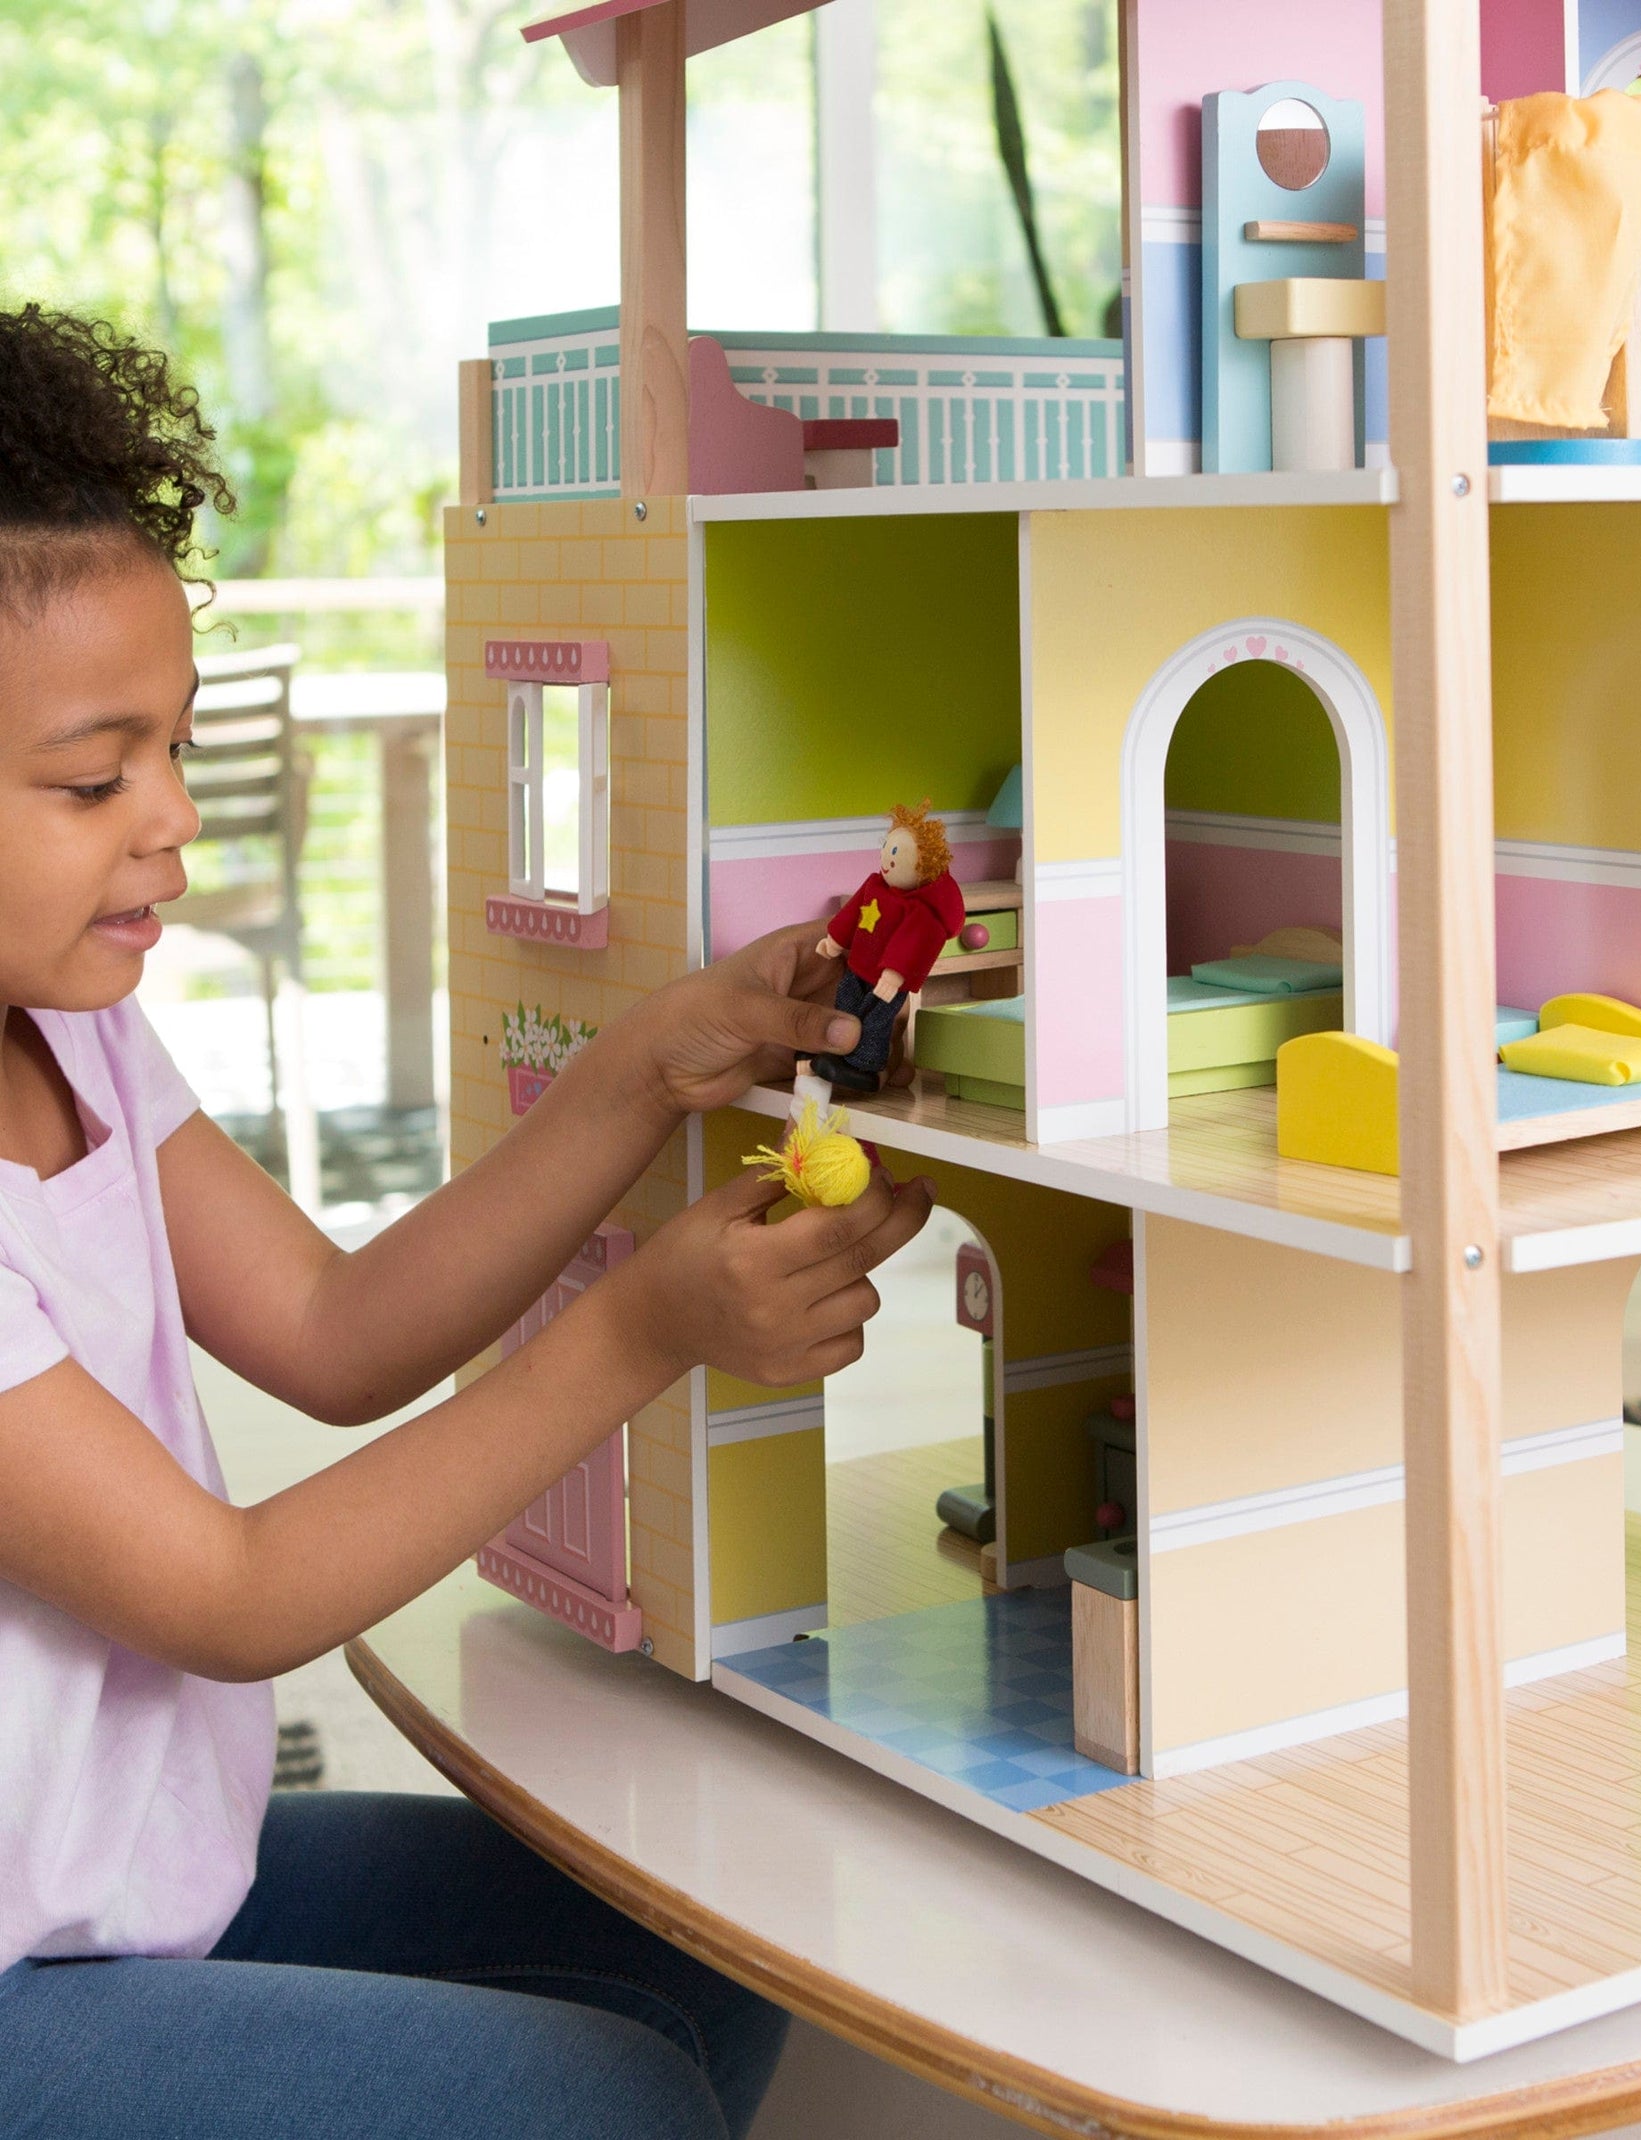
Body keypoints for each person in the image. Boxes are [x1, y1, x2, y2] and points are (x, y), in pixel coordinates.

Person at [0, 303, 934, 2139]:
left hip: (127, 1883)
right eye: (94, 779)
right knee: (594, 2100)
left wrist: (640, 1067)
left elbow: (341, 1337)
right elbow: (231, 1594)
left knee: (703, 1940)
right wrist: (644, 1327)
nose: (176, 821)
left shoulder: (79, 1042)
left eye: (175, 749)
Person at [807, 802, 965, 1092]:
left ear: (923, 866)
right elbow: (854, 913)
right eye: (886, 848)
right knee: (846, 1000)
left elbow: (913, 944)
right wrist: (835, 940)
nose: (885, 860)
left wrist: (895, 974)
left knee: (876, 1020)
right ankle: (841, 1051)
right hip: (858, 967)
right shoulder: (875, 886)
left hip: (887, 979)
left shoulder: (921, 912)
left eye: (895, 853)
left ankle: (867, 1065)